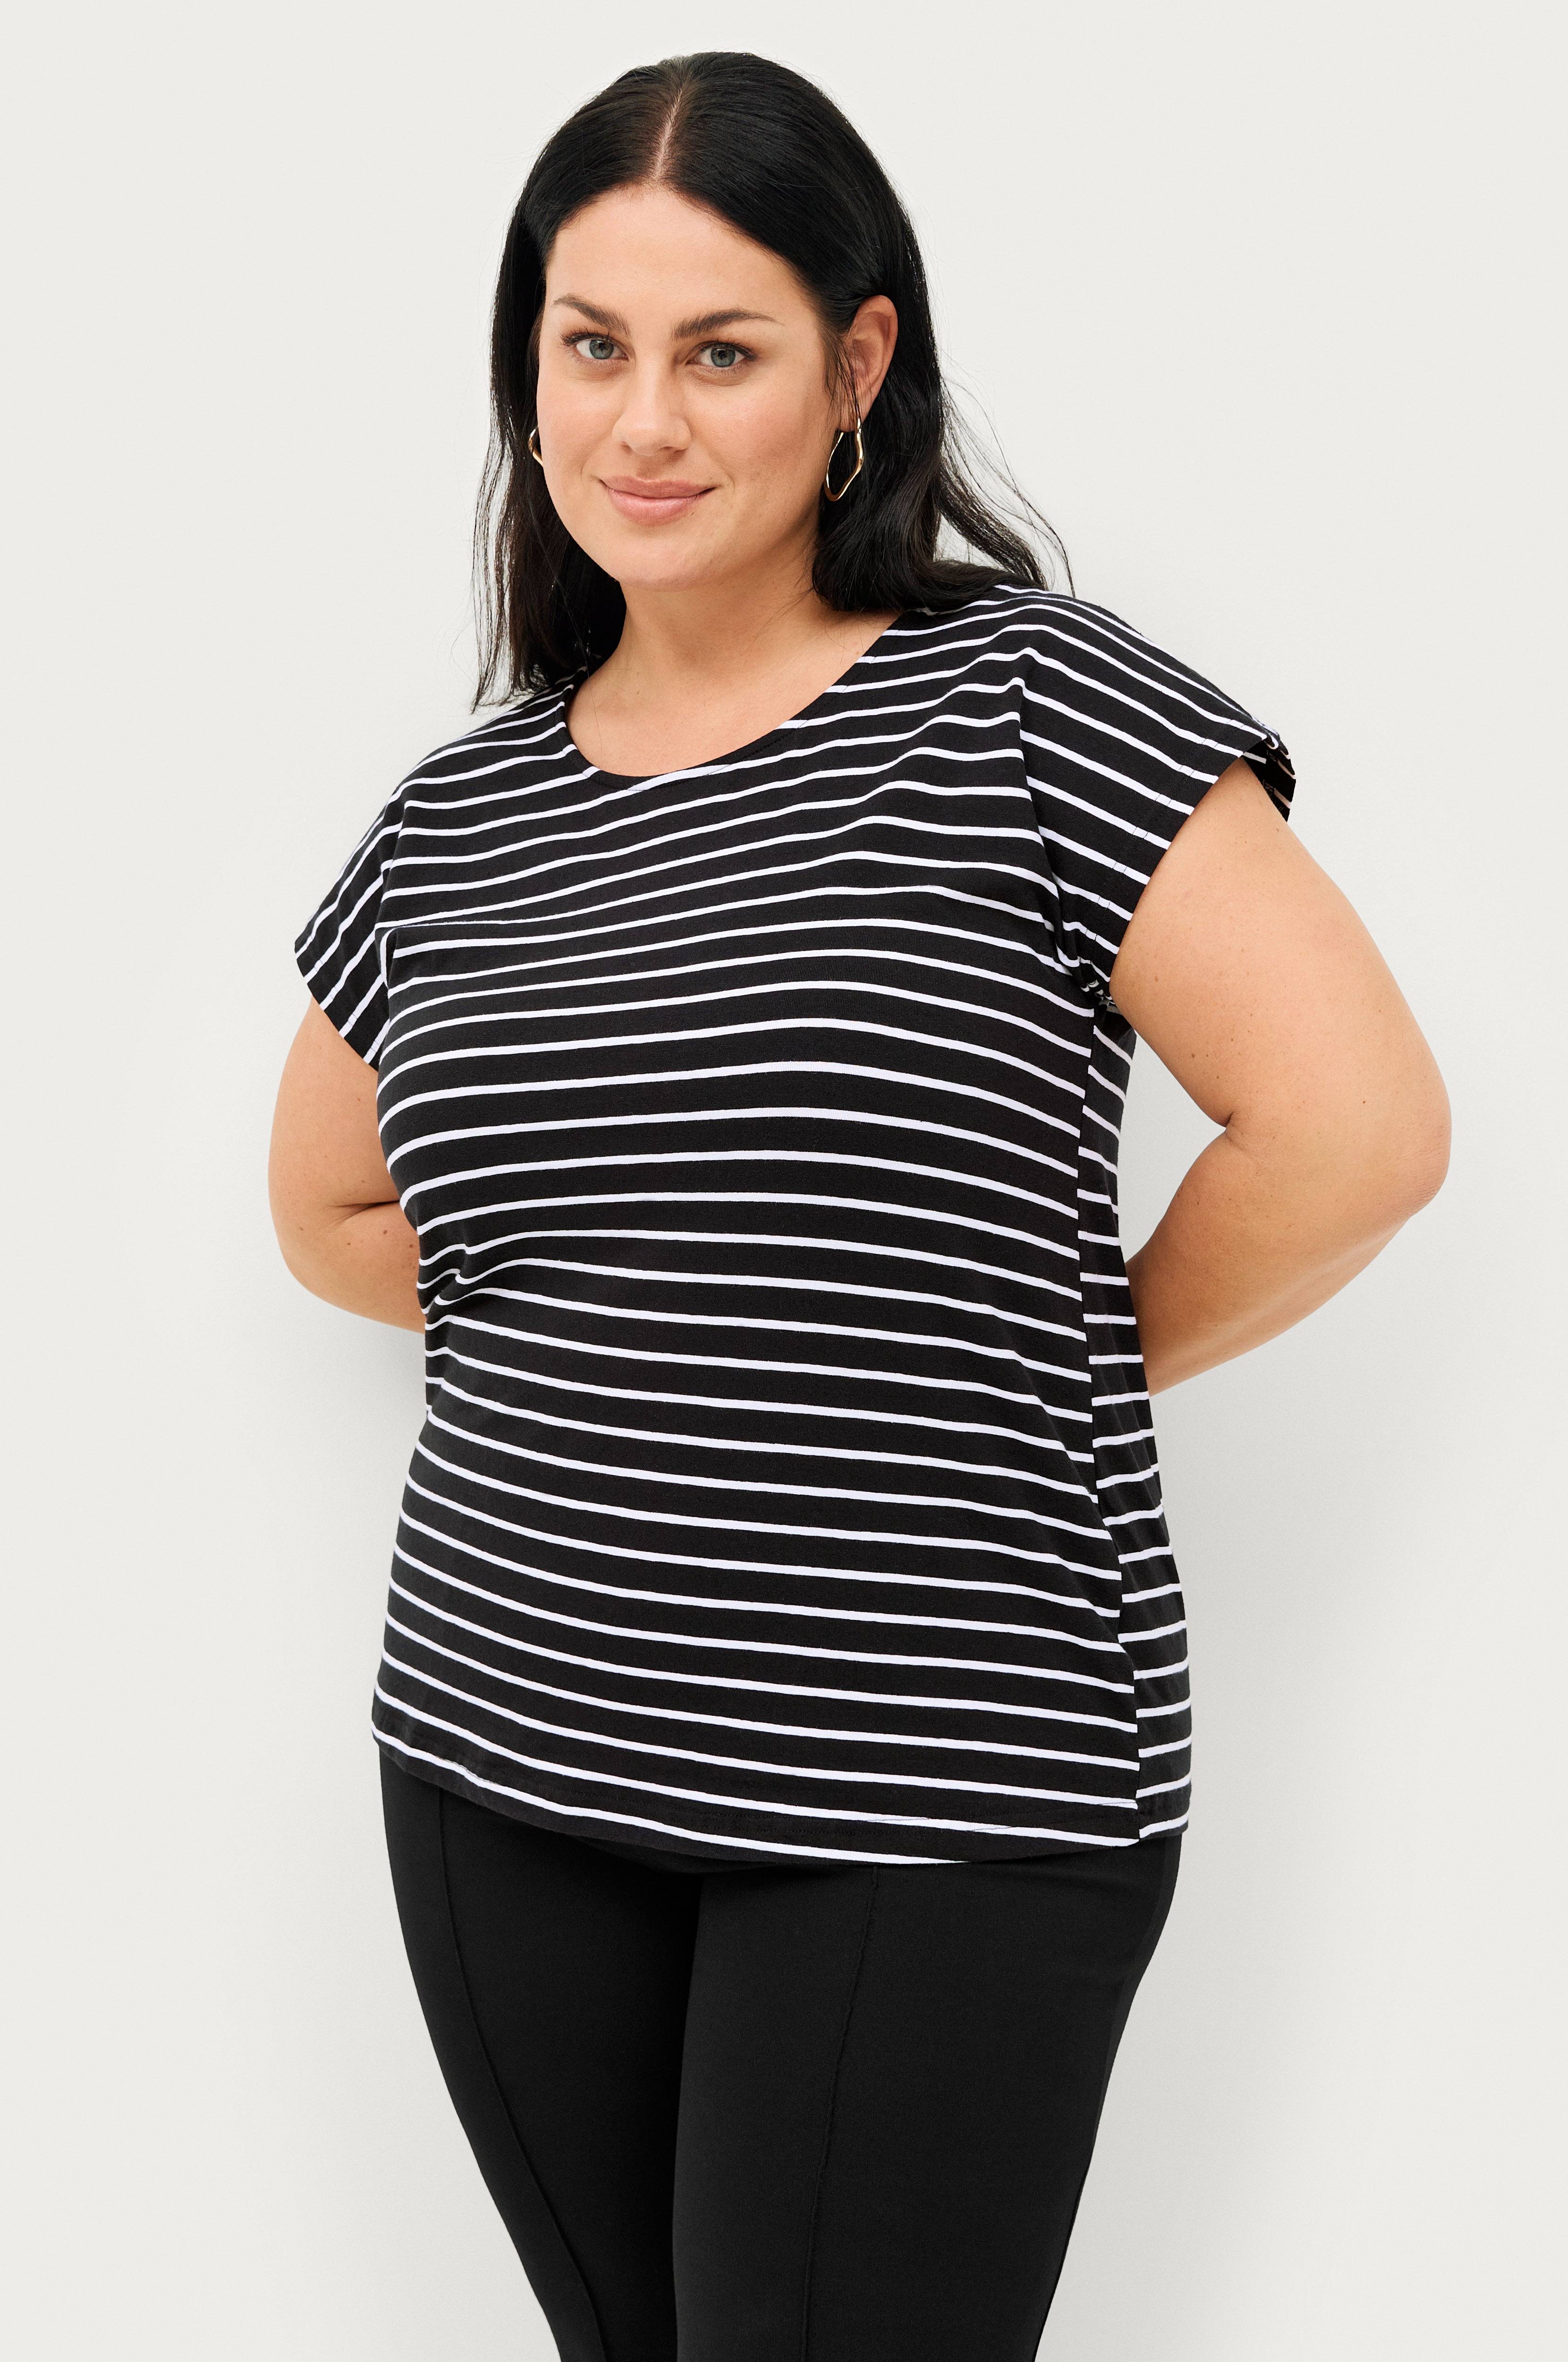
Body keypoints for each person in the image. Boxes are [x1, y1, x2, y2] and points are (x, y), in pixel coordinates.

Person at [268, 49, 1449, 2362]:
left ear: (855, 364)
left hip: (936, 1778)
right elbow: (324, 1204)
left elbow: (1354, 1128)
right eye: (590, 345)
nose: (642, 420)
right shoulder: (457, 815)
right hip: (503, 1744)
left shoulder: (1028, 705)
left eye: (720, 351)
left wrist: (1032, 1348)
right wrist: (640, 1327)